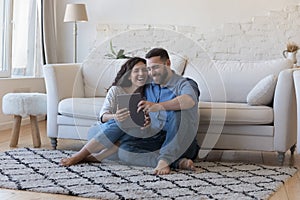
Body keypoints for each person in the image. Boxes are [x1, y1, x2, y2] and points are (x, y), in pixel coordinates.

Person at [117, 48, 200, 175]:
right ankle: (176, 162)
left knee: (179, 112)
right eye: (149, 69)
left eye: (155, 68)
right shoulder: (149, 85)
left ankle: (165, 159)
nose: (151, 73)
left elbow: (189, 101)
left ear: (167, 63)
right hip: (157, 139)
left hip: (182, 142)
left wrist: (159, 106)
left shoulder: (185, 83)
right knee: (124, 151)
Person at [60, 57, 149, 166]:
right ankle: (78, 156)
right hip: (102, 134)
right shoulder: (116, 90)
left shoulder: (148, 93)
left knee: (136, 128)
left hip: (120, 144)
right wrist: (115, 116)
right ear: (129, 76)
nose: (141, 73)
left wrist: (146, 121)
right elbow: (103, 116)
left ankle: (98, 157)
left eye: (144, 70)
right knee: (120, 123)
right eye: (136, 70)